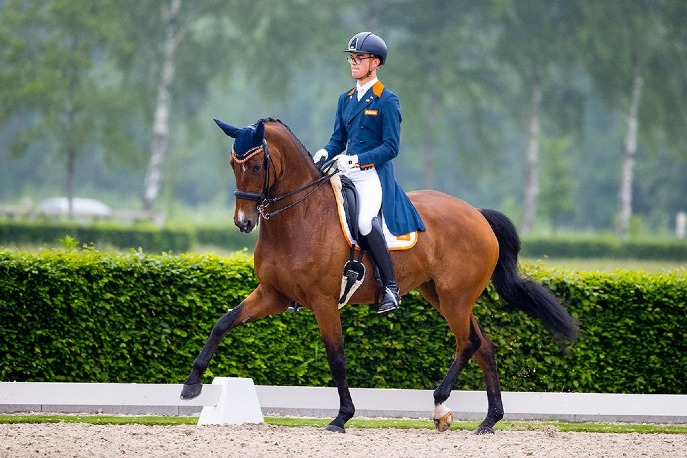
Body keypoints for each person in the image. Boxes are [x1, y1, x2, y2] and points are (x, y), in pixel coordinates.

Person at [313, 32, 425, 315]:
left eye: (359, 58)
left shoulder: (386, 100)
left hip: (373, 175)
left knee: (364, 221)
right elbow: (338, 139)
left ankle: (390, 287)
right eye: (352, 57)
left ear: (375, 62)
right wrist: (325, 153)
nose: (353, 62)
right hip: (346, 170)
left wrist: (356, 160)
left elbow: (391, 147)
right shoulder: (346, 98)